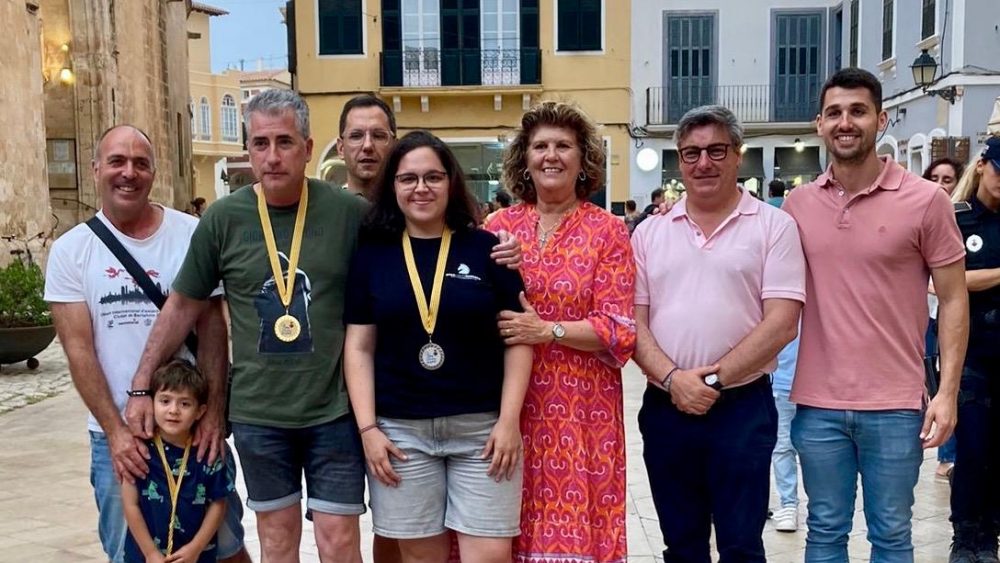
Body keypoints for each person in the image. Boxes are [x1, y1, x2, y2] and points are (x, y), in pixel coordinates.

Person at [128, 89, 370, 562]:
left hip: (335, 411)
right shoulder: (223, 218)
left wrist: (494, 241)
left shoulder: (350, 215)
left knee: (339, 543)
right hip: (260, 414)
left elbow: (416, 252)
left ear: (307, 145)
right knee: (277, 542)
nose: (273, 156)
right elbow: (182, 306)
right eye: (261, 143)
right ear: (248, 149)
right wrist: (141, 384)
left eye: (285, 142)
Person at [783, 67, 969, 562]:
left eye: (858, 111)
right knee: (824, 532)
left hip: (895, 404)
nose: (847, 122)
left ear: (881, 120)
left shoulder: (927, 201)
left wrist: (947, 393)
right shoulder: (797, 205)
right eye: (836, 113)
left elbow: (953, 299)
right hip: (818, 404)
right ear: (819, 124)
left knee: (891, 535)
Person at [43, 125, 248, 563]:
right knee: (130, 550)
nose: (128, 173)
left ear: (153, 173)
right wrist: (116, 433)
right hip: (120, 437)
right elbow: (78, 350)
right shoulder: (71, 251)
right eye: (117, 161)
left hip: (193, 431)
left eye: (140, 163)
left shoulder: (191, 232)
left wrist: (213, 415)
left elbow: (213, 327)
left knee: (225, 547)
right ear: (96, 169)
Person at [343, 130, 532, 562]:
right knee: (420, 559)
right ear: (393, 186)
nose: (421, 188)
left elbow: (518, 340)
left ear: (451, 183)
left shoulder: (489, 250)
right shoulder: (372, 256)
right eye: (408, 179)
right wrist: (368, 429)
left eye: (433, 177)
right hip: (401, 434)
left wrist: (508, 421)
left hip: (481, 432)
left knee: (489, 556)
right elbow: (359, 347)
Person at [631, 104, 805, 562]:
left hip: (742, 410)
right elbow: (634, 322)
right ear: (679, 160)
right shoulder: (648, 233)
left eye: (715, 150)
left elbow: (783, 321)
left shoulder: (774, 226)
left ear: (736, 155)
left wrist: (708, 382)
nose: (703, 162)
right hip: (666, 408)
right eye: (691, 153)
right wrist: (674, 380)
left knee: (741, 544)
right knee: (682, 544)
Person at [486, 100, 636, 562]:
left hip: (582, 410)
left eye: (563, 146)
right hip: (510, 403)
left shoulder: (608, 230)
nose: (551, 155)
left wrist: (544, 329)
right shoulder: (498, 227)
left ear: (583, 158)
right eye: (540, 146)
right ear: (525, 159)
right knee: (500, 529)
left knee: (573, 533)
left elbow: (617, 328)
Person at [946, 136, 1000, 563]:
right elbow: (945, 283)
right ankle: (966, 536)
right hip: (972, 355)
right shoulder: (958, 219)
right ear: (982, 165)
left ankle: (990, 536)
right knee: (973, 450)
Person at [122, 360, 233, 563]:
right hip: (145, 556)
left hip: (195, 557)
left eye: (185, 403)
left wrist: (196, 548)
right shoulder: (140, 450)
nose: (173, 410)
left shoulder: (207, 453)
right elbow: (130, 504)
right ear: (152, 403)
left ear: (200, 411)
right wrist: (150, 553)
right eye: (165, 401)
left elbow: (218, 503)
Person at [923, 157, 966, 482]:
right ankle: (946, 455)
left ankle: (949, 454)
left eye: (948, 179)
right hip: (930, 317)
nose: (941, 184)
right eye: (935, 177)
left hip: (955, 317)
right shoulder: (922, 211)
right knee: (935, 379)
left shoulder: (963, 217)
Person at [338, 94, 397, 200]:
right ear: (341, 148)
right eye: (356, 136)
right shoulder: (324, 213)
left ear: (394, 146)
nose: (368, 145)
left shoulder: (410, 213)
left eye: (378, 136)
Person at [770, 335, 801, 533]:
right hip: (782, 382)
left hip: (818, 385)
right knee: (782, 447)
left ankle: (791, 505)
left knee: (786, 447)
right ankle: (789, 505)